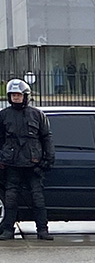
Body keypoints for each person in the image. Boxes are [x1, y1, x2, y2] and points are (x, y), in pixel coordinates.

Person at [0, 79, 55, 240]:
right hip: (11, 164)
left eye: (18, 95)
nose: (16, 98)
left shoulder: (37, 114)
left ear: (26, 96)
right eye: (13, 95)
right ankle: (8, 230)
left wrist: (48, 160)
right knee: (10, 198)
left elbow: (46, 138)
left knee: (38, 198)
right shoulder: (3, 115)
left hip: (34, 163)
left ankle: (42, 230)